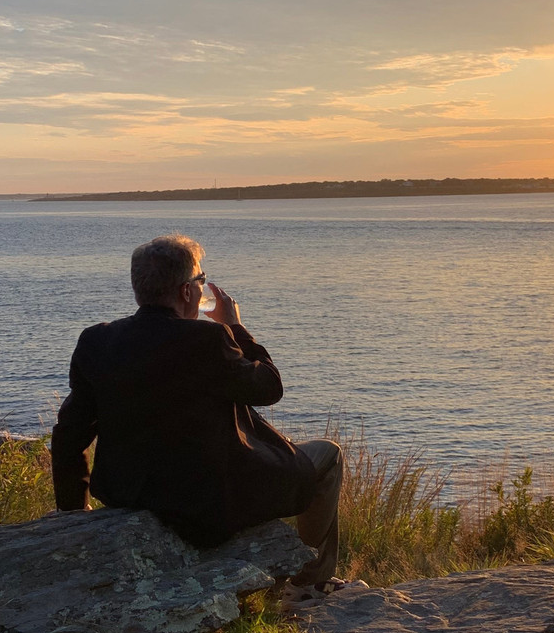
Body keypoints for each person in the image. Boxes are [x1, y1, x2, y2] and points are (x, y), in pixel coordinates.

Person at [50, 234, 362, 605]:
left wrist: (74, 510)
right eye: (201, 281)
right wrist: (237, 328)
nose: (202, 289)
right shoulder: (209, 339)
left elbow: (70, 433)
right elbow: (269, 388)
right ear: (185, 292)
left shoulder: (97, 341)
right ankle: (307, 583)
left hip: (128, 494)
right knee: (327, 456)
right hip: (208, 499)